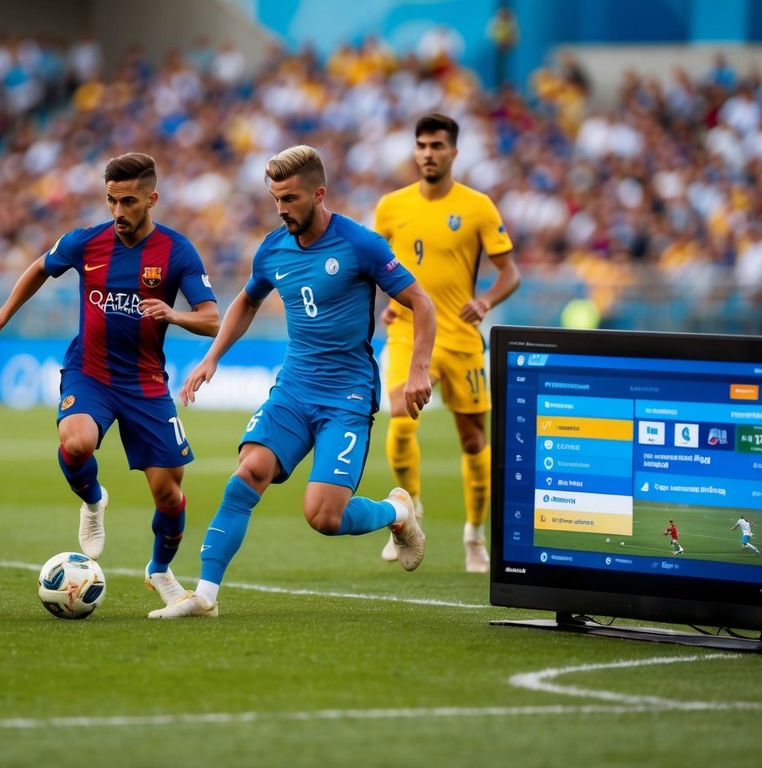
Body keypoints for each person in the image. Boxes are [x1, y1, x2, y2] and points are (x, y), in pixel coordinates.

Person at [150, 144, 436, 620]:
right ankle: (205, 595)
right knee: (248, 473)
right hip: (294, 388)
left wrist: (418, 369)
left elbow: (421, 302)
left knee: (323, 516)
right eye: (275, 199)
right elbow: (246, 300)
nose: (282, 209)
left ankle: (397, 512)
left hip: (346, 396)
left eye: (290, 199)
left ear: (319, 194)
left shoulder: (360, 244)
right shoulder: (273, 248)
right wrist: (212, 357)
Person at [0, 152, 219, 607]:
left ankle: (159, 570)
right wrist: (0, 319)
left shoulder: (176, 251)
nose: (118, 212)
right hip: (90, 371)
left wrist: (173, 314)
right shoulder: (86, 242)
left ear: (152, 198)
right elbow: (37, 270)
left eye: (128, 202)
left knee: (168, 493)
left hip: (145, 383)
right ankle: (92, 501)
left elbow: (213, 319)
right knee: (77, 441)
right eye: (111, 201)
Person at [374, 113, 521, 573]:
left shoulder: (477, 206)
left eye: (437, 145)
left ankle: (474, 536)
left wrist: (485, 301)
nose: (428, 153)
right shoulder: (391, 206)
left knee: (474, 438)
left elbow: (510, 272)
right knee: (399, 416)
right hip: (407, 329)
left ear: (454, 152)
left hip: (459, 335)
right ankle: (408, 515)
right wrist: (382, 301)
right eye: (421, 145)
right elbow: (373, 266)